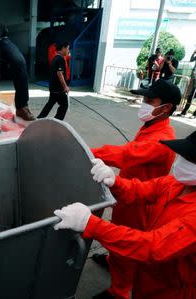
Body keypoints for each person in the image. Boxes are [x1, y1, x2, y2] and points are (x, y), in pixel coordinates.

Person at [54, 129, 196, 298]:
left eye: (189, 159)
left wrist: (90, 224)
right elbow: (142, 190)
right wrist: (114, 181)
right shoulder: (177, 183)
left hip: (171, 288)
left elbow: (152, 247)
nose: (180, 162)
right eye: (182, 155)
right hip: (148, 275)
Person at [90, 79, 180, 299]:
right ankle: (113, 261)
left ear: (166, 108)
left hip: (141, 202)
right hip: (127, 191)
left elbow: (125, 154)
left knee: (127, 242)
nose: (144, 103)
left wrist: (85, 151)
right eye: (144, 99)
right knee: (117, 230)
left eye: (150, 100)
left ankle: (119, 291)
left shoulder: (163, 139)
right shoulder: (151, 126)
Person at [38, 42, 70, 120]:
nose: (68, 50)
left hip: (53, 87)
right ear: (63, 48)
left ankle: (39, 119)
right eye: (68, 48)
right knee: (64, 105)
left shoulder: (55, 58)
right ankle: (57, 120)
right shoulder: (60, 59)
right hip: (58, 89)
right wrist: (65, 86)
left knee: (50, 104)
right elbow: (59, 73)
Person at [177, 49, 196, 118]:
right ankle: (184, 112)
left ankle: (194, 114)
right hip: (194, 78)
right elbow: (191, 60)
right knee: (190, 96)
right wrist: (193, 53)